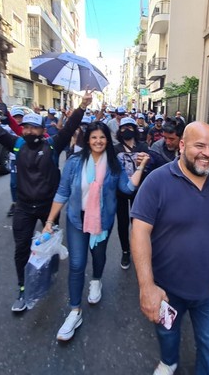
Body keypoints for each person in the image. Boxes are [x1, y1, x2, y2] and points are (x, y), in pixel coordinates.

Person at [130, 122, 209, 375]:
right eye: (200, 146)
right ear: (183, 146)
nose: (207, 153)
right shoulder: (157, 181)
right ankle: (168, 361)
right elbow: (139, 231)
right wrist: (147, 286)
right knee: (168, 333)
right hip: (167, 290)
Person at [0, 80, 91, 312]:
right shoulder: (18, 144)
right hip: (23, 207)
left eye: (34, 128)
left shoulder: (52, 145)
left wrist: (82, 106)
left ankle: (48, 269)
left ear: (42, 130)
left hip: (48, 207)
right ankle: (22, 288)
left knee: (49, 242)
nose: (29, 131)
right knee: (21, 248)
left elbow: (70, 128)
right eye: (26, 127)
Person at [43, 122, 149, 341]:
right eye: (94, 138)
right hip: (75, 219)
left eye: (102, 137)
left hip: (103, 220)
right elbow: (62, 192)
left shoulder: (114, 164)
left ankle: (96, 280)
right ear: (87, 140)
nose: (98, 141)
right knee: (76, 264)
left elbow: (127, 189)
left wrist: (140, 167)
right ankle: (74, 312)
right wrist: (49, 221)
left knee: (98, 256)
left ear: (107, 140)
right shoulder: (74, 163)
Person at [114, 117, 150, 270]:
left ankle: (139, 251)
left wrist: (146, 162)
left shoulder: (142, 146)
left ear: (135, 129)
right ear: (119, 131)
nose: (127, 130)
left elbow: (150, 168)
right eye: (123, 128)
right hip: (120, 192)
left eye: (130, 127)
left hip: (139, 192)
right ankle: (125, 251)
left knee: (137, 224)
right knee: (122, 223)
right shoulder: (116, 149)